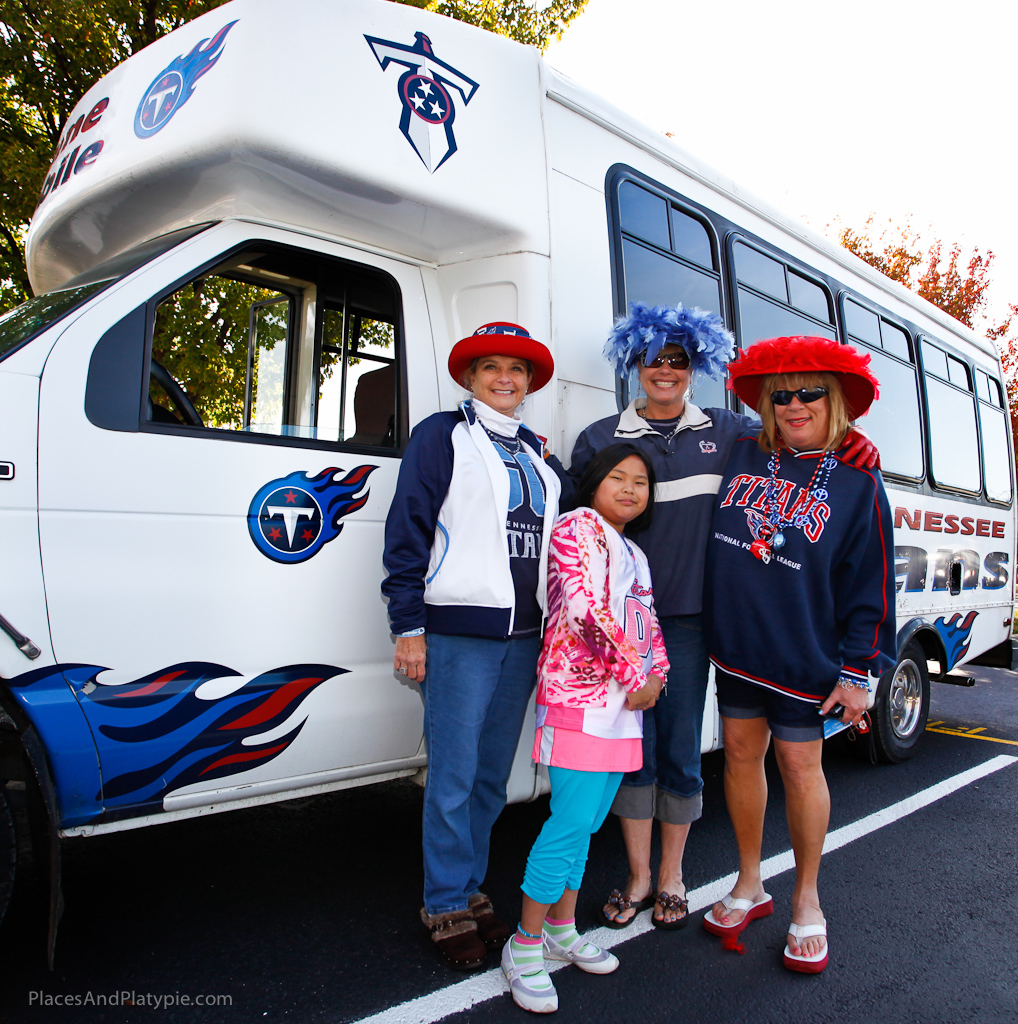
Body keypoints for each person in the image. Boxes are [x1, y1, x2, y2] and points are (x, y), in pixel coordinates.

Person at [571, 303, 879, 930]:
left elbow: (804, 446)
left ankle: (679, 879)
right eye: (653, 356)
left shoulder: (732, 434)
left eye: (679, 358)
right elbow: (575, 514)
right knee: (633, 752)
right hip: (633, 629)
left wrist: (852, 441)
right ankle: (643, 875)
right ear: (634, 361)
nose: (665, 368)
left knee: (686, 753)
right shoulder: (607, 437)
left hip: (697, 627)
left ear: (696, 367)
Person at [701, 335, 896, 973]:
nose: (794, 404)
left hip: (805, 656)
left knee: (800, 768)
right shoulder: (740, 450)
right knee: (737, 757)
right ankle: (750, 882)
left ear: (836, 399)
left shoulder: (858, 481)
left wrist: (859, 671)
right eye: (781, 395)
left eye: (811, 392)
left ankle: (807, 900)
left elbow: (872, 584)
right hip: (737, 651)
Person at [382, 322, 563, 971]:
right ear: (471, 376)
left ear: (530, 381)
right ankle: (443, 901)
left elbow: (583, 523)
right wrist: (409, 625)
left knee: (490, 778)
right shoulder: (442, 435)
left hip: (523, 639)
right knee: (454, 778)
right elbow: (407, 530)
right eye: (491, 367)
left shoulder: (541, 454)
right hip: (459, 634)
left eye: (517, 369)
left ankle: (468, 884)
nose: (505, 378)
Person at [502, 444, 668, 1013]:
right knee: (569, 821)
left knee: (589, 825)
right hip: (578, 700)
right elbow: (582, 611)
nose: (628, 488)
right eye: (617, 477)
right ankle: (523, 944)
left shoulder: (634, 552)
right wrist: (632, 674)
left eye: (640, 482)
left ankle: (561, 930)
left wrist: (658, 675)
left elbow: (647, 620)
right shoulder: (578, 528)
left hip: (625, 710)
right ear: (594, 483)